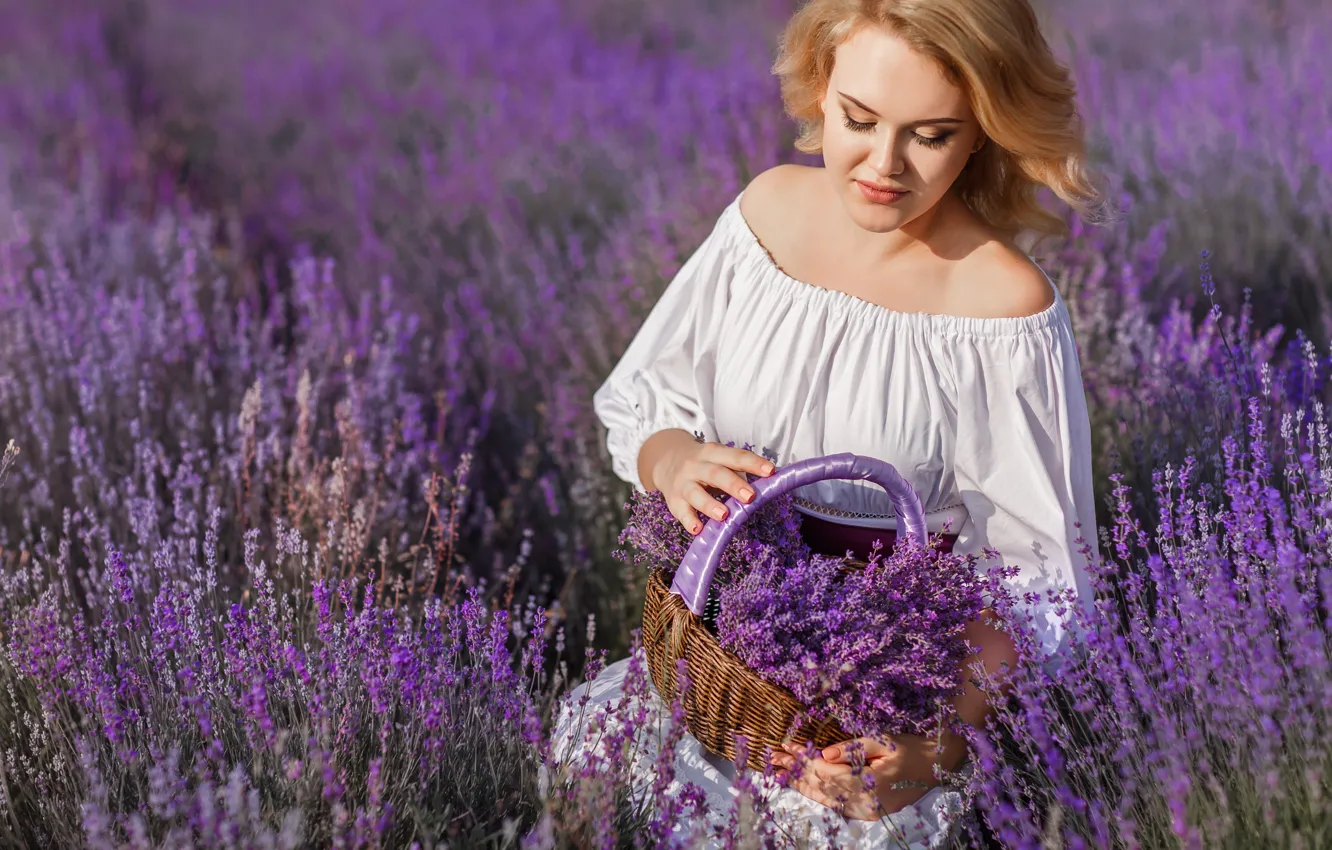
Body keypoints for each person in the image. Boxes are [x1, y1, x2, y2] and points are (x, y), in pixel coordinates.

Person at [552, 0, 1110, 845]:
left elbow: (1037, 581)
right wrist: (672, 463)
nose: (883, 163)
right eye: (858, 119)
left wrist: (931, 747)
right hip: (717, 661)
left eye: (931, 135)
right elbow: (647, 397)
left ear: (982, 134)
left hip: (883, 702)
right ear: (820, 88)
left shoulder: (1001, 305)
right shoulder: (767, 215)